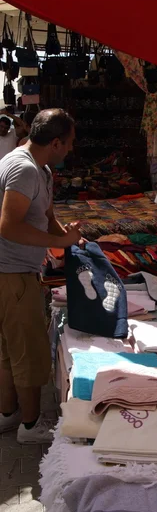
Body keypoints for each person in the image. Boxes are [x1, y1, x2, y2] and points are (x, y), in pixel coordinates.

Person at [0, 109, 81, 443]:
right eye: (71, 143)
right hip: (14, 274)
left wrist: (69, 240)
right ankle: (30, 427)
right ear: (57, 142)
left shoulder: (39, 168)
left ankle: (8, 413)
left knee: (9, 350)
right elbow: (8, 224)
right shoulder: (24, 169)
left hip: (13, 273)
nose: (72, 150)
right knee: (29, 352)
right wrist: (58, 242)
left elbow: (46, 216)